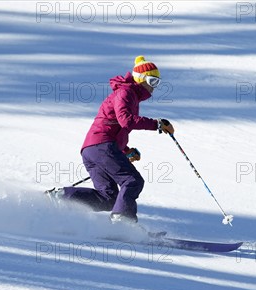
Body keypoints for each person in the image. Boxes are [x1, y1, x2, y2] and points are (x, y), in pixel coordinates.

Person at [49, 56, 174, 224]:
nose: (154, 87)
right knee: (132, 181)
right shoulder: (126, 92)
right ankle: (122, 221)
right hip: (102, 146)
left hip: (92, 149)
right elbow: (126, 120)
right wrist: (156, 124)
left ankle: (61, 196)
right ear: (140, 79)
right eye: (152, 81)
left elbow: (117, 127)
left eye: (157, 83)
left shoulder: (129, 94)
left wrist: (124, 151)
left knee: (108, 197)